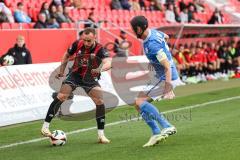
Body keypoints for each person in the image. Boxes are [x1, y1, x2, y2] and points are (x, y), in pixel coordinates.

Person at [41, 27, 112, 144]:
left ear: (95, 37)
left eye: (89, 40)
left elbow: (108, 62)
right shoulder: (77, 44)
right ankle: (45, 127)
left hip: (89, 78)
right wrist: (61, 70)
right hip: (74, 75)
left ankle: (101, 135)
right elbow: (66, 55)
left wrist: (99, 69)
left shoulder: (100, 49)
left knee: (99, 101)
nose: (86, 43)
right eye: (84, 40)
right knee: (61, 96)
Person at [130, 16, 180, 147]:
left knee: (140, 101)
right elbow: (166, 36)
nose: (133, 31)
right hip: (159, 76)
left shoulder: (152, 45)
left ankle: (166, 126)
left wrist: (168, 88)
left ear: (139, 29)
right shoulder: (155, 33)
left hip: (166, 77)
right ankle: (156, 132)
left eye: (133, 29)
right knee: (137, 103)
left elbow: (167, 66)